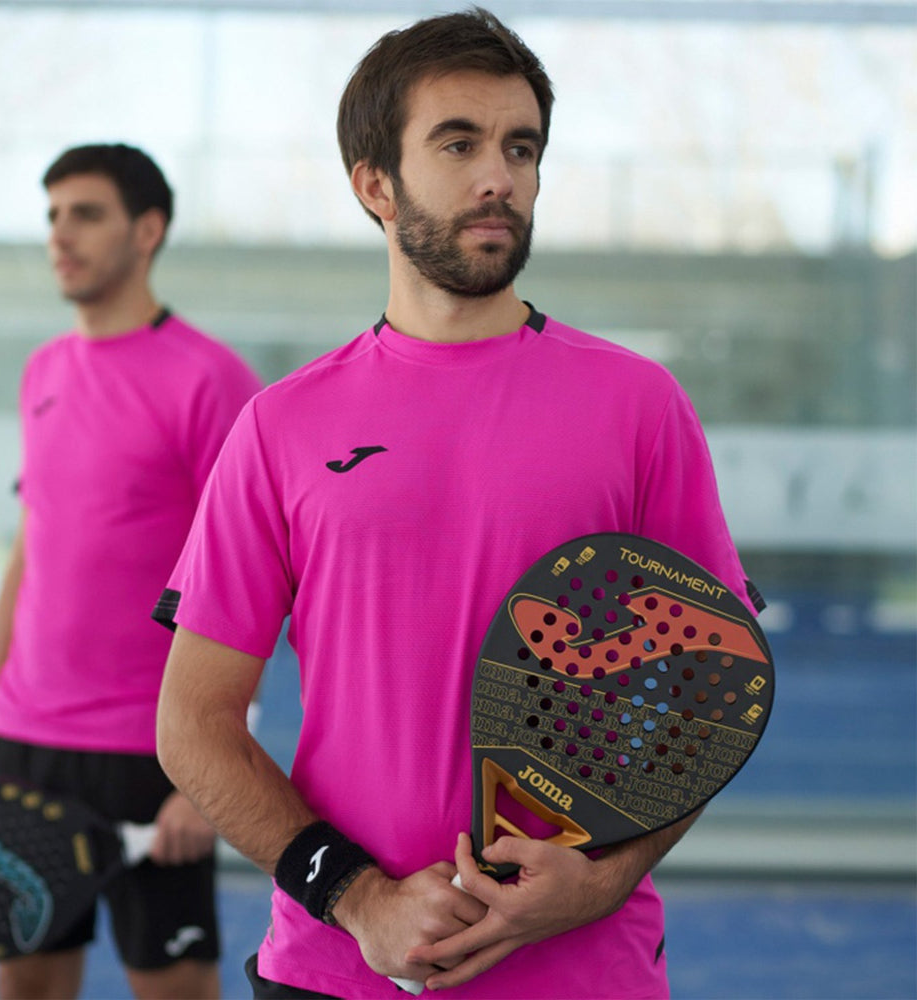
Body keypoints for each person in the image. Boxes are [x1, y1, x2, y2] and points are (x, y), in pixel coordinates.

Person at [155, 9, 763, 999]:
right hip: (332, 970)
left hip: (583, 974)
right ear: (373, 184)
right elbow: (193, 721)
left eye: (520, 147)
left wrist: (603, 879)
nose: (500, 176)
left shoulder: (638, 405)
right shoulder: (278, 427)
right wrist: (359, 900)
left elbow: (714, 690)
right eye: (459, 143)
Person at [0, 142, 263, 1000]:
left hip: (151, 748)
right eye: (52, 215)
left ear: (147, 230)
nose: (61, 234)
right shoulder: (42, 371)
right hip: (26, 742)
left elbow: (257, 577)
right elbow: (32, 551)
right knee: (31, 987)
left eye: (85, 213)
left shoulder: (211, 379)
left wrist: (212, 776)